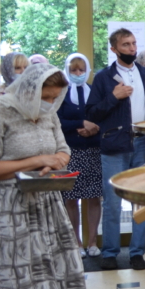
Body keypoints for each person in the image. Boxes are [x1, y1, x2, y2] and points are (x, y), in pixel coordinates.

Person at [0, 63, 94, 289]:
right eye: (45, 97)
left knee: (54, 274)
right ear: (28, 90)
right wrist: (35, 161)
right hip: (10, 204)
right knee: (20, 279)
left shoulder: (48, 112)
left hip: (46, 202)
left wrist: (56, 162)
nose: (50, 103)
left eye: (54, 98)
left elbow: (62, 150)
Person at [86, 29, 145, 271]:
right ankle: (109, 252)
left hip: (143, 142)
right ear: (114, 49)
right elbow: (92, 113)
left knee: (140, 200)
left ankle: (137, 252)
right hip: (115, 143)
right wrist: (114, 97)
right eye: (126, 44)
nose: (131, 48)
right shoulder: (104, 78)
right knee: (112, 202)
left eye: (133, 43)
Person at [58, 53, 102, 258]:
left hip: (93, 151)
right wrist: (79, 125)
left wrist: (94, 129)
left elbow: (102, 117)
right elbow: (57, 121)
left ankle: (92, 241)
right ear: (67, 71)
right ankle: (75, 242)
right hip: (71, 153)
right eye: (74, 70)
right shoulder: (61, 94)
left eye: (81, 70)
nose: (77, 74)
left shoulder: (94, 92)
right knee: (70, 198)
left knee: (93, 197)